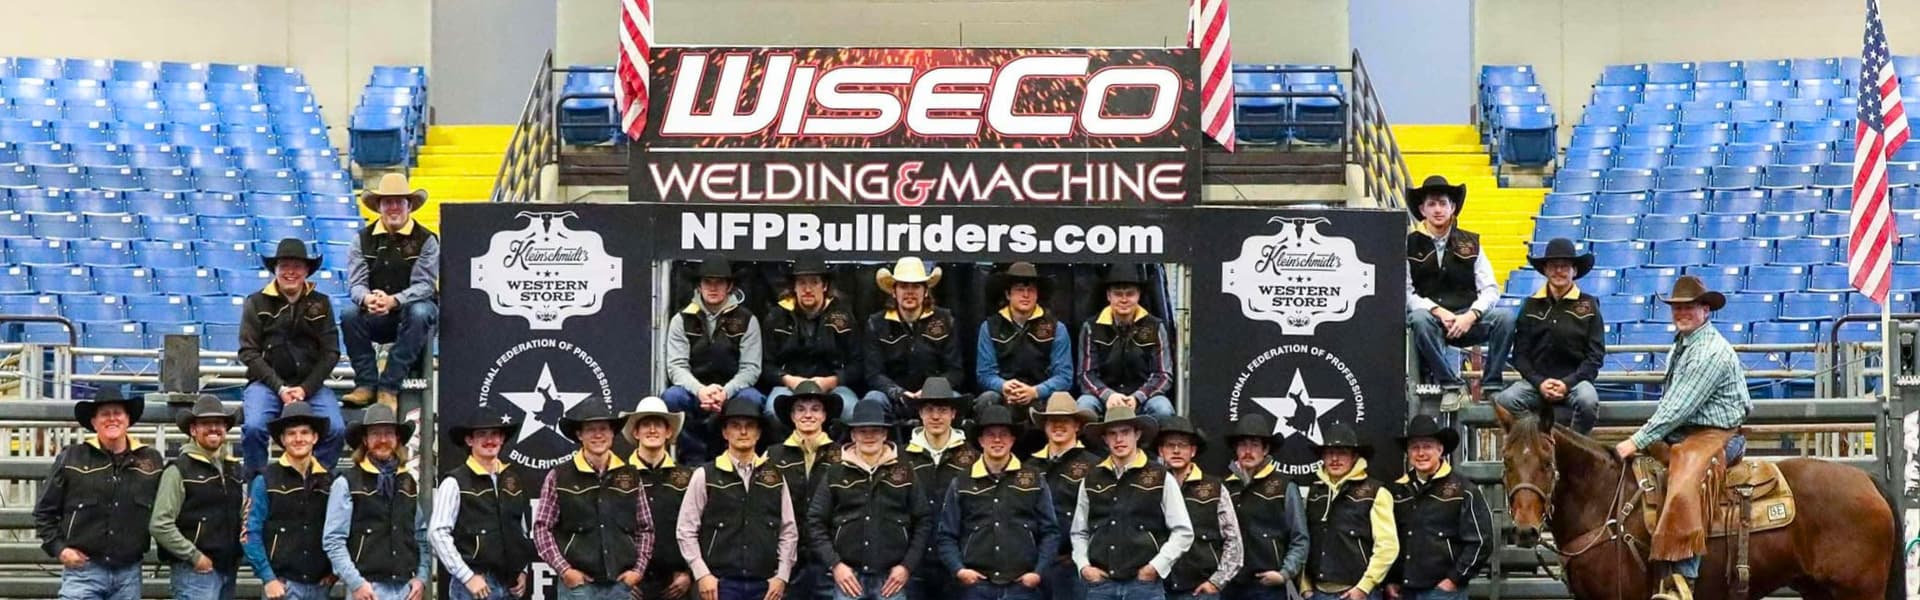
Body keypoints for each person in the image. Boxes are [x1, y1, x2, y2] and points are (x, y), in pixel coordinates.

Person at [1612, 275, 1752, 600]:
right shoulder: (1684, 343)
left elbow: (1677, 407)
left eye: (1689, 306)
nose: (1681, 312)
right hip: (1688, 433)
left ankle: (1682, 579)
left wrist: (1636, 439)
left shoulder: (1710, 352)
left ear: (1706, 309)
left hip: (1716, 437)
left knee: (1685, 478)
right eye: (1677, 307)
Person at [35, 388, 165, 600]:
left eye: (118, 413)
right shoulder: (72, 457)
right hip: (83, 571)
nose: (112, 418)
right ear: (94, 422)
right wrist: (60, 549)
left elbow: (165, 511)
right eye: (105, 414)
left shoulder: (151, 460)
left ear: (128, 419)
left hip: (129, 573)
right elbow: (44, 512)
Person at [1403, 175, 1515, 412]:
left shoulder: (1472, 243)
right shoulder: (1407, 244)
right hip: (1431, 321)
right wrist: (1435, 309)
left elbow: (1491, 289)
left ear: (1452, 208)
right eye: (1431, 204)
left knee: (1505, 318)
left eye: (1443, 203)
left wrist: (1471, 315)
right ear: (1422, 209)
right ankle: (1451, 385)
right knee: (1419, 320)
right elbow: (1405, 292)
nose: (1438, 209)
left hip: (1467, 319)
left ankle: (1492, 384)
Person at [239, 238, 346, 477]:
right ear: (275, 269)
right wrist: (279, 387)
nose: (290, 272)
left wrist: (305, 389)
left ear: (306, 270)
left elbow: (331, 353)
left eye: (297, 266)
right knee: (254, 427)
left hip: (312, 387)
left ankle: (316, 483)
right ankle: (257, 487)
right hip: (266, 385)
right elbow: (248, 352)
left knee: (337, 430)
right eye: (284, 265)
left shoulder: (322, 303)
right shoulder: (255, 302)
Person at [807, 397, 931, 600]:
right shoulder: (834, 473)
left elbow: (924, 520)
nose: (869, 436)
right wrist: (835, 565)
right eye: (862, 431)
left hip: (892, 579)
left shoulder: (906, 471)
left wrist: (906, 567)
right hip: (848, 578)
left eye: (875, 430)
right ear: (853, 435)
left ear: (885, 434)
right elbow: (815, 521)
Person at [677, 396, 799, 600]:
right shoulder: (705, 475)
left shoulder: (776, 477)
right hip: (718, 584)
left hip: (766, 585)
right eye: (735, 425)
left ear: (758, 433)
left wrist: (782, 576)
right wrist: (702, 574)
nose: (743, 432)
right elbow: (686, 529)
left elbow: (788, 530)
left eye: (750, 426)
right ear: (725, 432)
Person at [1071, 405, 1195, 600]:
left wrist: (1156, 566)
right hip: (1100, 585)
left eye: (1125, 432)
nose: (1119, 439)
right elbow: (1079, 531)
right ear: (1104, 439)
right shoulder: (1091, 478)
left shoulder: (1160, 476)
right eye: (1112, 434)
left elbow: (1183, 531)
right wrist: (1084, 566)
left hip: (1144, 585)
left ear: (1137, 434)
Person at [937, 404, 1059, 600]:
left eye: (1003, 434)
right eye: (990, 434)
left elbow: (1050, 532)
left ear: (1013, 439)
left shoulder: (1035, 479)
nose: (997, 440)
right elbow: (946, 535)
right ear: (980, 440)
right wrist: (959, 570)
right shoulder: (961, 482)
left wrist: (1038, 572)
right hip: (975, 587)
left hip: (1023, 587)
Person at [340, 173, 440, 410]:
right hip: (377, 313)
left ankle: (389, 387)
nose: (393, 207)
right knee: (349, 314)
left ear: (409, 206)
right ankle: (365, 383)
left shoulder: (427, 240)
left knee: (421, 311)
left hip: (412, 314)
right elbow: (355, 284)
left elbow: (425, 285)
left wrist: (394, 301)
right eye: (388, 202)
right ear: (379, 207)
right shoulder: (360, 240)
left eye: (399, 201)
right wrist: (367, 298)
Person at [536, 402, 652, 600]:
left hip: (620, 588)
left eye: (603, 429)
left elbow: (645, 528)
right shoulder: (558, 476)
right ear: (579, 435)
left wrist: (638, 571)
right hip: (577, 589)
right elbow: (541, 528)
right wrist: (565, 571)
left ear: (612, 433)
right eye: (590, 429)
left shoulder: (631, 476)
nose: (598, 435)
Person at [1493, 238, 1604, 434]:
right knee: (1505, 400)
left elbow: (1595, 356)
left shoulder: (1589, 305)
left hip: (1576, 383)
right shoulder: (1530, 305)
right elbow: (1520, 355)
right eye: (1553, 266)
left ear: (1574, 271)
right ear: (1545, 270)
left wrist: (1567, 383)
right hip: (1536, 384)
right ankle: (1535, 439)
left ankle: (1572, 445)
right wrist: (1539, 382)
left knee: (1588, 401)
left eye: (1565, 266)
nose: (1559, 271)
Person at [322, 404, 431, 600]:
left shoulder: (408, 481)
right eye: (375, 434)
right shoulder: (346, 483)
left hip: (406, 588)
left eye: (388, 433)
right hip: (367, 589)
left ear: (397, 438)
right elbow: (333, 540)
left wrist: (421, 578)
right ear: (365, 439)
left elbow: (421, 536)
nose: (382, 440)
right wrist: (356, 583)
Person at [663, 259, 767, 463]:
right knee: (672, 397)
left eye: (719, 282)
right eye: (707, 282)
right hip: (695, 391)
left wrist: (725, 392)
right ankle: (692, 459)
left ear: (729, 286)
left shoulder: (747, 319)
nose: (713, 287)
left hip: (733, 391)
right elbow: (676, 367)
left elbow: (751, 369)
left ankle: (741, 458)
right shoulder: (680, 319)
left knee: (752, 399)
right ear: (698, 286)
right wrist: (701, 390)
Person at [429, 408, 535, 600]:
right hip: (474, 586)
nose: (490, 440)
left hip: (510, 584)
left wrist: (523, 570)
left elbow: (520, 529)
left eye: (495, 434)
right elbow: (437, 533)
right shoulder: (454, 482)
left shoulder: (512, 479)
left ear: (502, 439)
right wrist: (467, 576)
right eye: (481, 434)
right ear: (469, 440)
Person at [1384, 417, 1492, 600]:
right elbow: (1391, 541)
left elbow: (1481, 541)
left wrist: (1453, 580)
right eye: (1415, 447)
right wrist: (1392, 579)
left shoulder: (1464, 490)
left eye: (1427, 446)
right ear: (1408, 453)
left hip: (1444, 592)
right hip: (1405, 592)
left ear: (1440, 450)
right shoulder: (1397, 491)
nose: (1421, 453)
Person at [150, 395, 245, 600]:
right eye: (206, 424)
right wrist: (195, 557)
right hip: (194, 572)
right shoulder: (178, 470)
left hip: (226, 568)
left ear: (226, 429)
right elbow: (160, 524)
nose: (213, 428)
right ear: (193, 430)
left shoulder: (233, 469)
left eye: (218, 423)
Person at [242, 402, 336, 600]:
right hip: (281, 587)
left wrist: (335, 571)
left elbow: (343, 531)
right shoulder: (264, 480)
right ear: (282, 440)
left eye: (304, 432)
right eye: (291, 433)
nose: (298, 438)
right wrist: (268, 578)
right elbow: (249, 533)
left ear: (315, 437)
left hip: (321, 587)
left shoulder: (331, 481)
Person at [903, 377, 980, 600]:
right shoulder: (901, 458)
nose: (936, 416)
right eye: (929, 409)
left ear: (953, 414)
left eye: (943, 410)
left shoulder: (973, 458)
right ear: (920, 413)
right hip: (911, 564)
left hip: (960, 564)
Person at [1300, 424, 1396, 600]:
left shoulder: (1376, 492)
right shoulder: (1315, 493)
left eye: (1342, 452)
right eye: (1329, 453)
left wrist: (1364, 588)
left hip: (1357, 593)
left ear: (1354, 456)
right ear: (1322, 456)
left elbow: (1388, 547)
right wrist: (1304, 586)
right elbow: (1303, 540)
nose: (1335, 459)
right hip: (1318, 593)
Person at [865, 257, 967, 421]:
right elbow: (873, 374)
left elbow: (955, 371)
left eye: (916, 286)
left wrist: (930, 391)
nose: (910, 292)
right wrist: (899, 393)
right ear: (894, 291)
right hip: (893, 399)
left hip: (935, 398)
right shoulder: (876, 323)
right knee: (873, 399)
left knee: (955, 399)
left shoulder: (946, 319)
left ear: (926, 291)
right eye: (904, 286)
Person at [769, 381, 845, 600]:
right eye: (800, 409)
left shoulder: (842, 455)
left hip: (831, 559)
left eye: (815, 409)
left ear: (824, 415)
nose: (808, 415)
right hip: (785, 559)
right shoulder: (773, 456)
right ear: (792, 416)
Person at [763, 257, 862, 423]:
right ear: (794, 286)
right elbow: (765, 364)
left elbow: (858, 363)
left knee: (851, 411)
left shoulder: (844, 316)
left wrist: (833, 380)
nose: (807, 289)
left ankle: (838, 449)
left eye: (814, 282)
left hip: (832, 387)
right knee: (773, 411)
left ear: (824, 286)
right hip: (789, 386)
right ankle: (784, 449)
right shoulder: (776, 316)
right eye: (801, 283)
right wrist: (787, 379)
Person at [1220, 415, 1309, 600]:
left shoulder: (1284, 486)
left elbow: (1300, 538)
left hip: (1267, 587)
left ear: (1265, 449)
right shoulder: (1225, 487)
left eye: (1254, 444)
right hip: (1229, 586)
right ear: (1236, 449)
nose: (1248, 451)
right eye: (1243, 445)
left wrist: (1284, 574)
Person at [976, 262, 1074, 424]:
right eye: (1020, 289)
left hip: (1042, 395)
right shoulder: (989, 327)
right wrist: (1004, 386)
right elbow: (984, 374)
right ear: (1008, 294)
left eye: (1031, 290)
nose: (1026, 295)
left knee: (1060, 401)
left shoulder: (1057, 327)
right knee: (987, 399)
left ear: (1037, 294)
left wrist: (1035, 391)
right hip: (1004, 395)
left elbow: (1064, 377)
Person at [1154, 416, 1241, 600]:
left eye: (1183, 445)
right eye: (1170, 445)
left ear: (1193, 451)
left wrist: (1216, 582)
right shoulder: (1150, 486)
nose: (1176, 450)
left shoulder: (1215, 487)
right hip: (1158, 587)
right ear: (1161, 451)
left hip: (1200, 589)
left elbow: (1233, 541)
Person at [1027, 393, 1101, 600]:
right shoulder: (1028, 467)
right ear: (1044, 425)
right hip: (1034, 567)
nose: (1058, 426)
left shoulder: (1095, 466)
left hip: (1074, 566)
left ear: (1077, 425)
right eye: (1052, 421)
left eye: (1065, 421)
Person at [623, 397, 698, 600]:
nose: (653, 430)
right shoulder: (617, 476)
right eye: (646, 424)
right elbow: (608, 531)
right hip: (631, 585)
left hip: (676, 585)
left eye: (659, 424)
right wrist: (619, 578)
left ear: (669, 432)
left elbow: (701, 528)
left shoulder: (689, 478)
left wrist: (690, 573)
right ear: (636, 432)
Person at [1077, 264, 1174, 420]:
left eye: (1130, 294)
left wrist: (1138, 397)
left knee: (1163, 409)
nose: (1124, 299)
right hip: (1104, 398)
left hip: (1144, 399)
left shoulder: (1155, 326)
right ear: (1108, 296)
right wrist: (1108, 396)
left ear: (1139, 295)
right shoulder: (1090, 327)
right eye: (1118, 294)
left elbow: (1164, 375)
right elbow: (1086, 375)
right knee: (1084, 405)